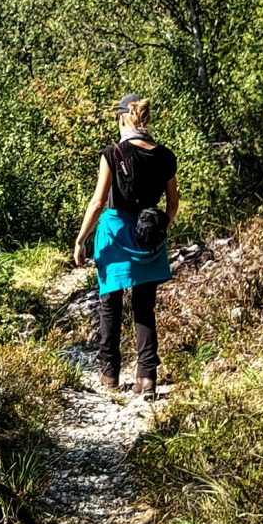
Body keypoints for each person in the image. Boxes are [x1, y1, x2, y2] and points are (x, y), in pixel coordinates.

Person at [73, 94, 179, 399]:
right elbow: (173, 203)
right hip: (149, 236)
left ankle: (110, 374)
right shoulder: (165, 156)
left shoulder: (112, 153)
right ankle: (147, 378)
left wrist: (81, 240)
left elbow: (97, 202)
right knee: (144, 306)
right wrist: (160, 229)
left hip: (115, 232)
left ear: (122, 118)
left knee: (111, 305)